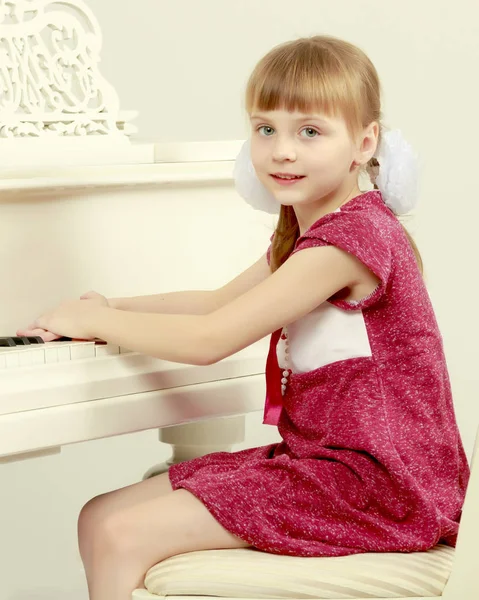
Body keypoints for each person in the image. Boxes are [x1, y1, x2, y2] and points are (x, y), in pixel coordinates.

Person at [17, 35, 469, 600]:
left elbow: (212, 338)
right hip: (328, 463)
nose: (282, 151)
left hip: (378, 484)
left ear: (364, 141)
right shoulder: (313, 234)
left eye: (310, 131)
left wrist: (100, 326)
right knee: (97, 514)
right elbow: (216, 302)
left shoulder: (351, 239)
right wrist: (109, 307)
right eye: (265, 129)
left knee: (117, 530)